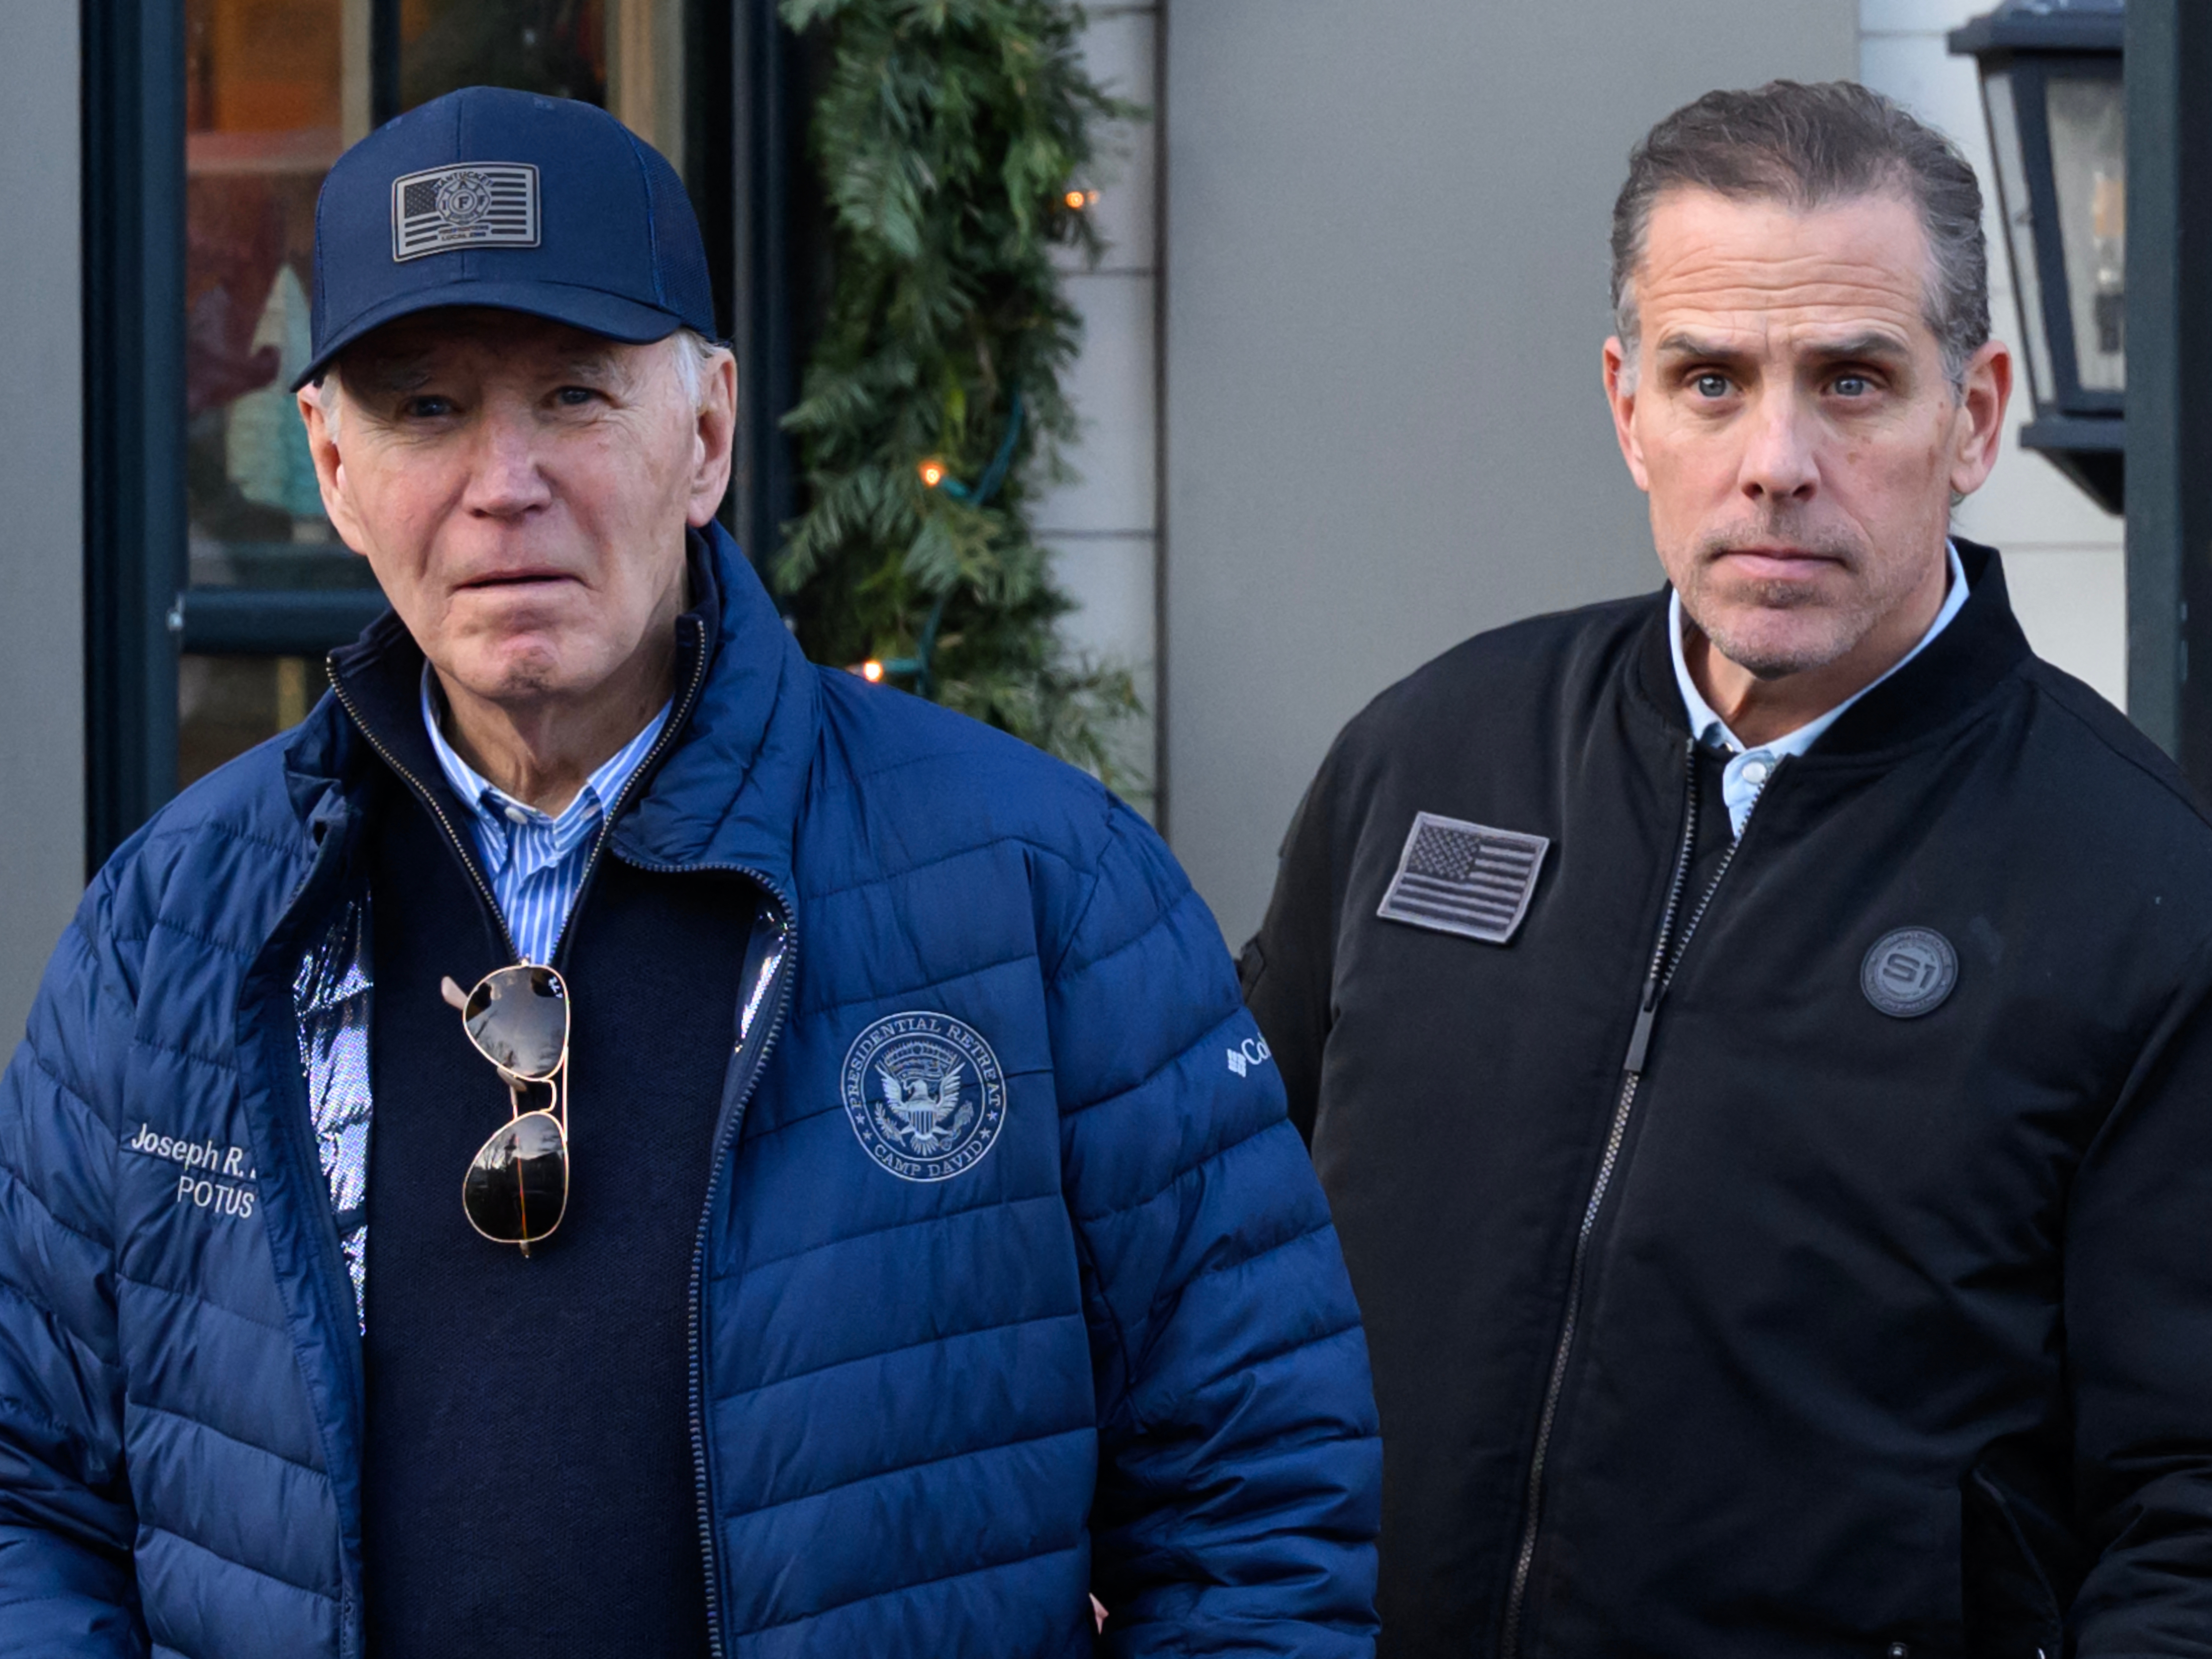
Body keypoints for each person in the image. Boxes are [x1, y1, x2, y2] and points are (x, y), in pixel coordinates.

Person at [0, 87, 1381, 1659]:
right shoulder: (176, 923)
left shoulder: (1041, 888)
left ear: (707, 432)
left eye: (577, 396)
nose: (502, 481)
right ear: (330, 463)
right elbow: (29, 1486)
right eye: (424, 409)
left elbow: (1256, 1496)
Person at [1242, 79, 2212, 1657]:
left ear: (1971, 418)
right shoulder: (1432, 757)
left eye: (1850, 381)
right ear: (1629, 407)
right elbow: (1212, 1250)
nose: (1776, 461)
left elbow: (2189, 1509)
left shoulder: (2139, 890)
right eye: (1712, 380)